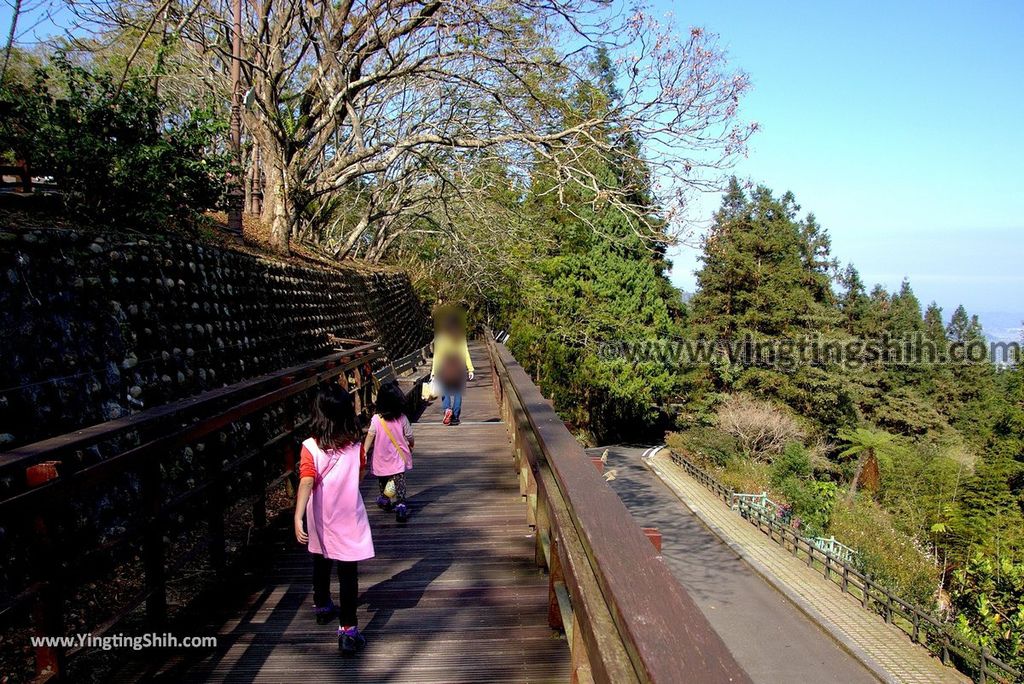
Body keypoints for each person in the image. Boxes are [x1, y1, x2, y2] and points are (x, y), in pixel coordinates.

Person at [294, 383, 373, 656]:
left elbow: (306, 481)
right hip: (348, 515)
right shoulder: (356, 448)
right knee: (348, 573)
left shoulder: (309, 448)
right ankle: (348, 630)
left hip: (320, 517)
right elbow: (360, 475)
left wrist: (298, 515)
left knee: (320, 559)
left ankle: (322, 604)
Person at [364, 381, 414, 523]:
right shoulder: (402, 418)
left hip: (381, 457)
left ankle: (385, 499)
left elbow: (370, 435)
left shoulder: (376, 419)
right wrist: (411, 443)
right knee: (399, 482)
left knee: (384, 480)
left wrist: (364, 451)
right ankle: (401, 505)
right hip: (398, 457)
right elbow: (409, 435)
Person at [431, 308, 474, 425]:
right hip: (458, 367)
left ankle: (447, 409)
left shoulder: (441, 337)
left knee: (444, 390)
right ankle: (455, 417)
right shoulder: (460, 336)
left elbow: (437, 356)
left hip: (444, 367)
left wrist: (433, 372)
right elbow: (465, 353)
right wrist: (470, 369)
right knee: (458, 392)